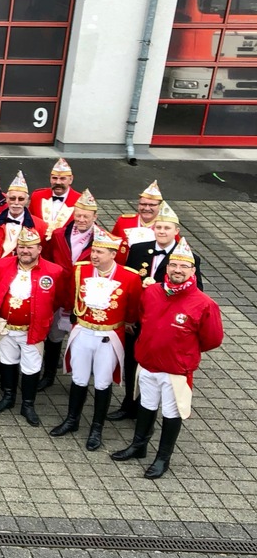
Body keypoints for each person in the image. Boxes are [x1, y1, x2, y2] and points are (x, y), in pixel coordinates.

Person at [111, 238, 223, 479]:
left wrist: (184, 351)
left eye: (184, 267)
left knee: (171, 413)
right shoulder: (151, 292)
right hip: (148, 363)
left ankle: (163, 458)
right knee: (146, 405)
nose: (177, 271)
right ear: (167, 267)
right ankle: (139, 445)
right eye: (174, 265)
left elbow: (212, 339)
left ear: (193, 271)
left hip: (175, 369)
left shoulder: (204, 304)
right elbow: (143, 318)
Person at [50, 228, 141, 451]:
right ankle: (72, 420)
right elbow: (72, 297)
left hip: (109, 336)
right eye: (93, 250)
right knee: (79, 379)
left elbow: (132, 308)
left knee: (102, 382)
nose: (94, 255)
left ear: (113, 254)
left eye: (100, 252)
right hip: (83, 331)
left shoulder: (130, 277)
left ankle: (97, 428)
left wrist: (125, 323)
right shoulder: (80, 271)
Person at [113, 201, 202, 421]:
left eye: (167, 228)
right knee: (132, 361)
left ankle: (150, 411)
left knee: (158, 370)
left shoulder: (188, 258)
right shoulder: (139, 249)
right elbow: (129, 284)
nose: (162, 231)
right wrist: (128, 317)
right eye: (159, 227)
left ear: (176, 231)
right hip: (139, 318)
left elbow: (196, 292)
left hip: (165, 323)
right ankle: (129, 404)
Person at [0, 171, 49, 386]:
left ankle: (20, 370)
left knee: (20, 325)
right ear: (6, 199)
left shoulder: (40, 227)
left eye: (20, 199)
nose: (15, 203)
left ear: (28, 201)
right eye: (12, 198)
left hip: (25, 284)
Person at [0, 227, 66, 426]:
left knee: (31, 367)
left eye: (30, 247)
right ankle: (8, 397)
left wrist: (41, 316)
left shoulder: (54, 271)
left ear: (39, 249)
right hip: (6, 328)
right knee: (7, 361)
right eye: (21, 247)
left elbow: (58, 298)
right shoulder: (2, 265)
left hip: (33, 330)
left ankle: (28, 404)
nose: (25, 251)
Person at [38, 189, 101, 390]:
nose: (81, 220)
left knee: (83, 339)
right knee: (54, 335)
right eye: (78, 215)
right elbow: (46, 261)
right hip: (59, 294)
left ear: (95, 217)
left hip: (85, 298)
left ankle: (80, 378)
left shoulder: (104, 240)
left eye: (86, 216)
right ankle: (48, 374)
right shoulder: (57, 234)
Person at [28, 158, 80, 237]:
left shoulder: (80, 201)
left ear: (71, 179)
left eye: (62, 178)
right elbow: (29, 221)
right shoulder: (37, 196)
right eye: (54, 178)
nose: (58, 182)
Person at [111, 180, 163, 256]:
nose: (147, 208)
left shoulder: (167, 226)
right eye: (143, 204)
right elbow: (112, 245)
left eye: (152, 205)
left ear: (160, 206)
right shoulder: (123, 221)